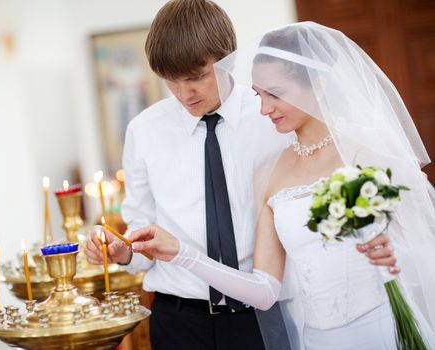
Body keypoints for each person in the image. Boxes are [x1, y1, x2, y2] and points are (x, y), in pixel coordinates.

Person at [128, 22, 435, 349]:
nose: (263, 108)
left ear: (317, 85)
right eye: (259, 94)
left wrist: (396, 252)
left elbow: (424, 234)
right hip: (314, 338)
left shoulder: (370, 147)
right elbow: (264, 291)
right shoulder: (270, 171)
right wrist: (182, 253)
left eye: (275, 94)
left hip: (383, 328)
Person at [84, 1, 292, 349]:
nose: (185, 93)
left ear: (229, 59)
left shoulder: (270, 120)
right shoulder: (144, 131)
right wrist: (123, 254)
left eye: (196, 77)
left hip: (263, 318)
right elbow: (140, 236)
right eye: (171, 81)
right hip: (179, 322)